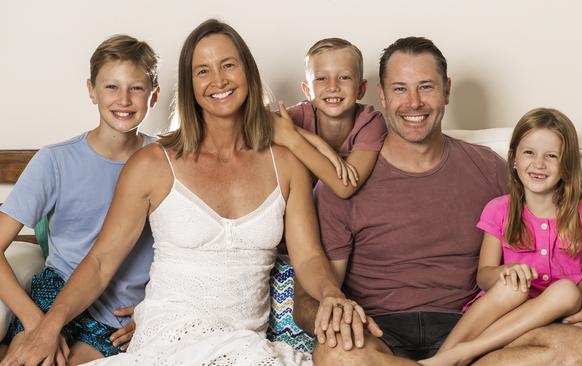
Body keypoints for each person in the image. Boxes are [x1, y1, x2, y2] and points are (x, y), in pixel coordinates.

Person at [1, 19, 366, 366]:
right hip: (166, 335)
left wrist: (332, 293)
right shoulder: (152, 164)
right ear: (188, 84)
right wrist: (46, 327)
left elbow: (308, 258)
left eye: (228, 65)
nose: (218, 80)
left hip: (243, 342)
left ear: (249, 74)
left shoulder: (284, 164)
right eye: (202, 70)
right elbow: (99, 263)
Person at [293, 37, 582, 366]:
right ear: (382, 96)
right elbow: (307, 298)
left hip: (475, 329)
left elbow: (570, 234)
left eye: (426, 87)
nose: (414, 103)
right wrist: (334, 316)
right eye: (400, 89)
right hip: (378, 332)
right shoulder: (342, 181)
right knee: (335, 355)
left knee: (581, 350)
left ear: (447, 90)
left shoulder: (490, 169)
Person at [423, 108, 582, 365]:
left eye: (551, 156)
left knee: (566, 292)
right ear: (514, 158)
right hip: (499, 318)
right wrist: (503, 272)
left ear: (567, 165)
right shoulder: (499, 209)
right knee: (511, 288)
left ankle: (462, 354)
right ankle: (445, 358)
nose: (539, 163)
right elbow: (484, 276)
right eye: (529, 152)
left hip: (545, 328)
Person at [0, 35, 159, 365]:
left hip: (119, 312)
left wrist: (155, 309)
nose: (124, 100)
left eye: (137, 88)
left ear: (153, 95)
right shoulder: (55, 161)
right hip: (54, 293)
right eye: (111, 87)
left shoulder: (166, 161)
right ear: (91, 90)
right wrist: (35, 323)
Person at [273, 38, 387, 198]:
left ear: (361, 89)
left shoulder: (370, 123)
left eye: (344, 77)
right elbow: (258, 121)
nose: (333, 87)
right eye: (321, 78)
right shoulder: (298, 116)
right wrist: (319, 144)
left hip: (349, 215)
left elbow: (345, 187)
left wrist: (293, 139)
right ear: (307, 90)